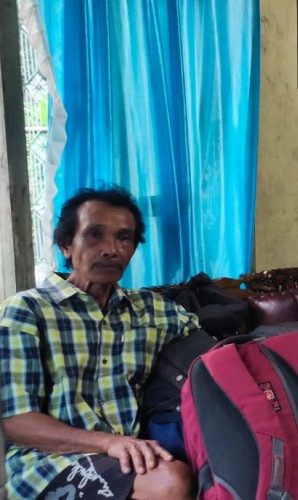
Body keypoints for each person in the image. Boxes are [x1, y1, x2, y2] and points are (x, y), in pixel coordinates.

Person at [1, 187, 197, 499]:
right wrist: (109, 442)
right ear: (66, 245)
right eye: (94, 235)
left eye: (124, 237)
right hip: (49, 462)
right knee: (171, 482)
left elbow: (212, 353)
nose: (111, 249)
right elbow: (16, 421)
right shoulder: (27, 311)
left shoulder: (152, 310)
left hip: (130, 453)